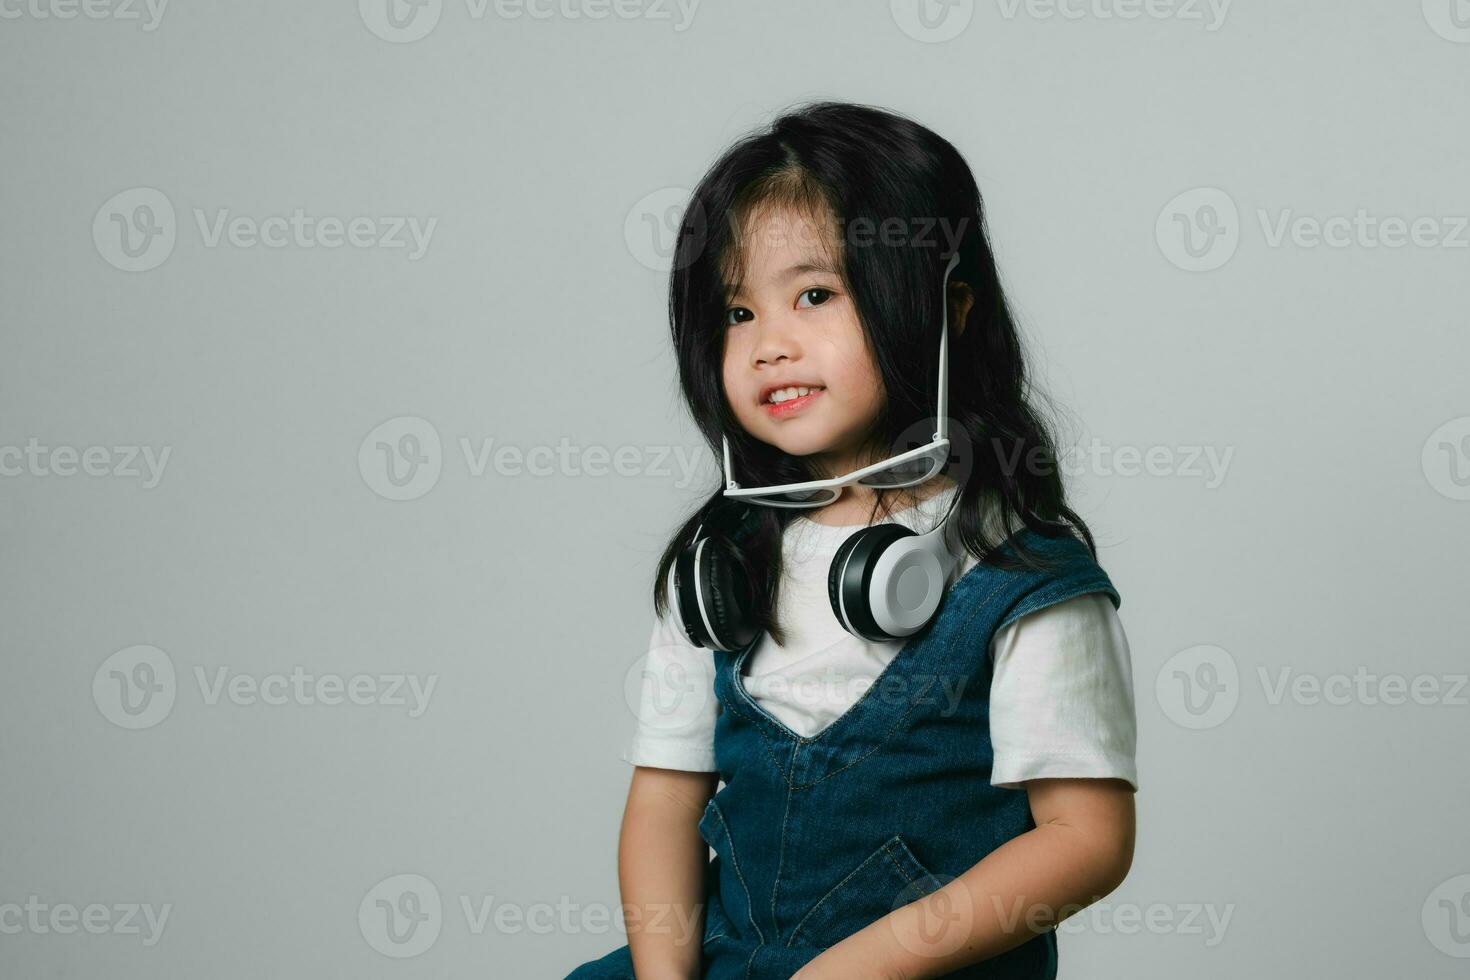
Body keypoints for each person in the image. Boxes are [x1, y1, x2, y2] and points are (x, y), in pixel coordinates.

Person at [567, 100, 1138, 980]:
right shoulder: (718, 569)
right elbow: (661, 805)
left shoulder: (1020, 577)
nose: (768, 346)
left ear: (948, 305)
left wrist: (859, 969)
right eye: (736, 313)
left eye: (814, 295)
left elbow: (1086, 838)